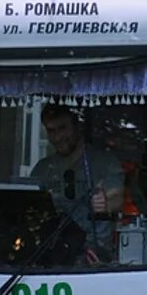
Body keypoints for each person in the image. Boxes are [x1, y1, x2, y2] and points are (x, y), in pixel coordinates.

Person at [29, 104, 127, 263]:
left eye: (62, 128)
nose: (58, 137)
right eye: (51, 131)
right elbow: (30, 210)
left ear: (77, 126)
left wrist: (106, 203)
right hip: (50, 254)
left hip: (93, 256)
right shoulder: (43, 168)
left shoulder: (105, 162)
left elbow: (116, 198)